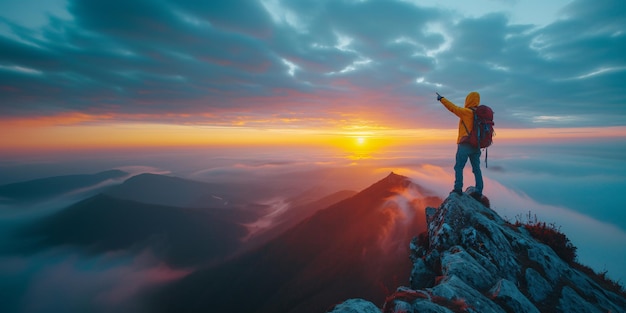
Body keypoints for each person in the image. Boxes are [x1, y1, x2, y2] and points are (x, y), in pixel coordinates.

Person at [437, 91, 483, 200]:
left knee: (459, 167)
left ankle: (458, 188)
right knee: (476, 169)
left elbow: (453, 108)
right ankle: (479, 191)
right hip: (476, 146)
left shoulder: (467, 112)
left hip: (465, 144)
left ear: (468, 100)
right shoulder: (480, 115)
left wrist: (441, 99)